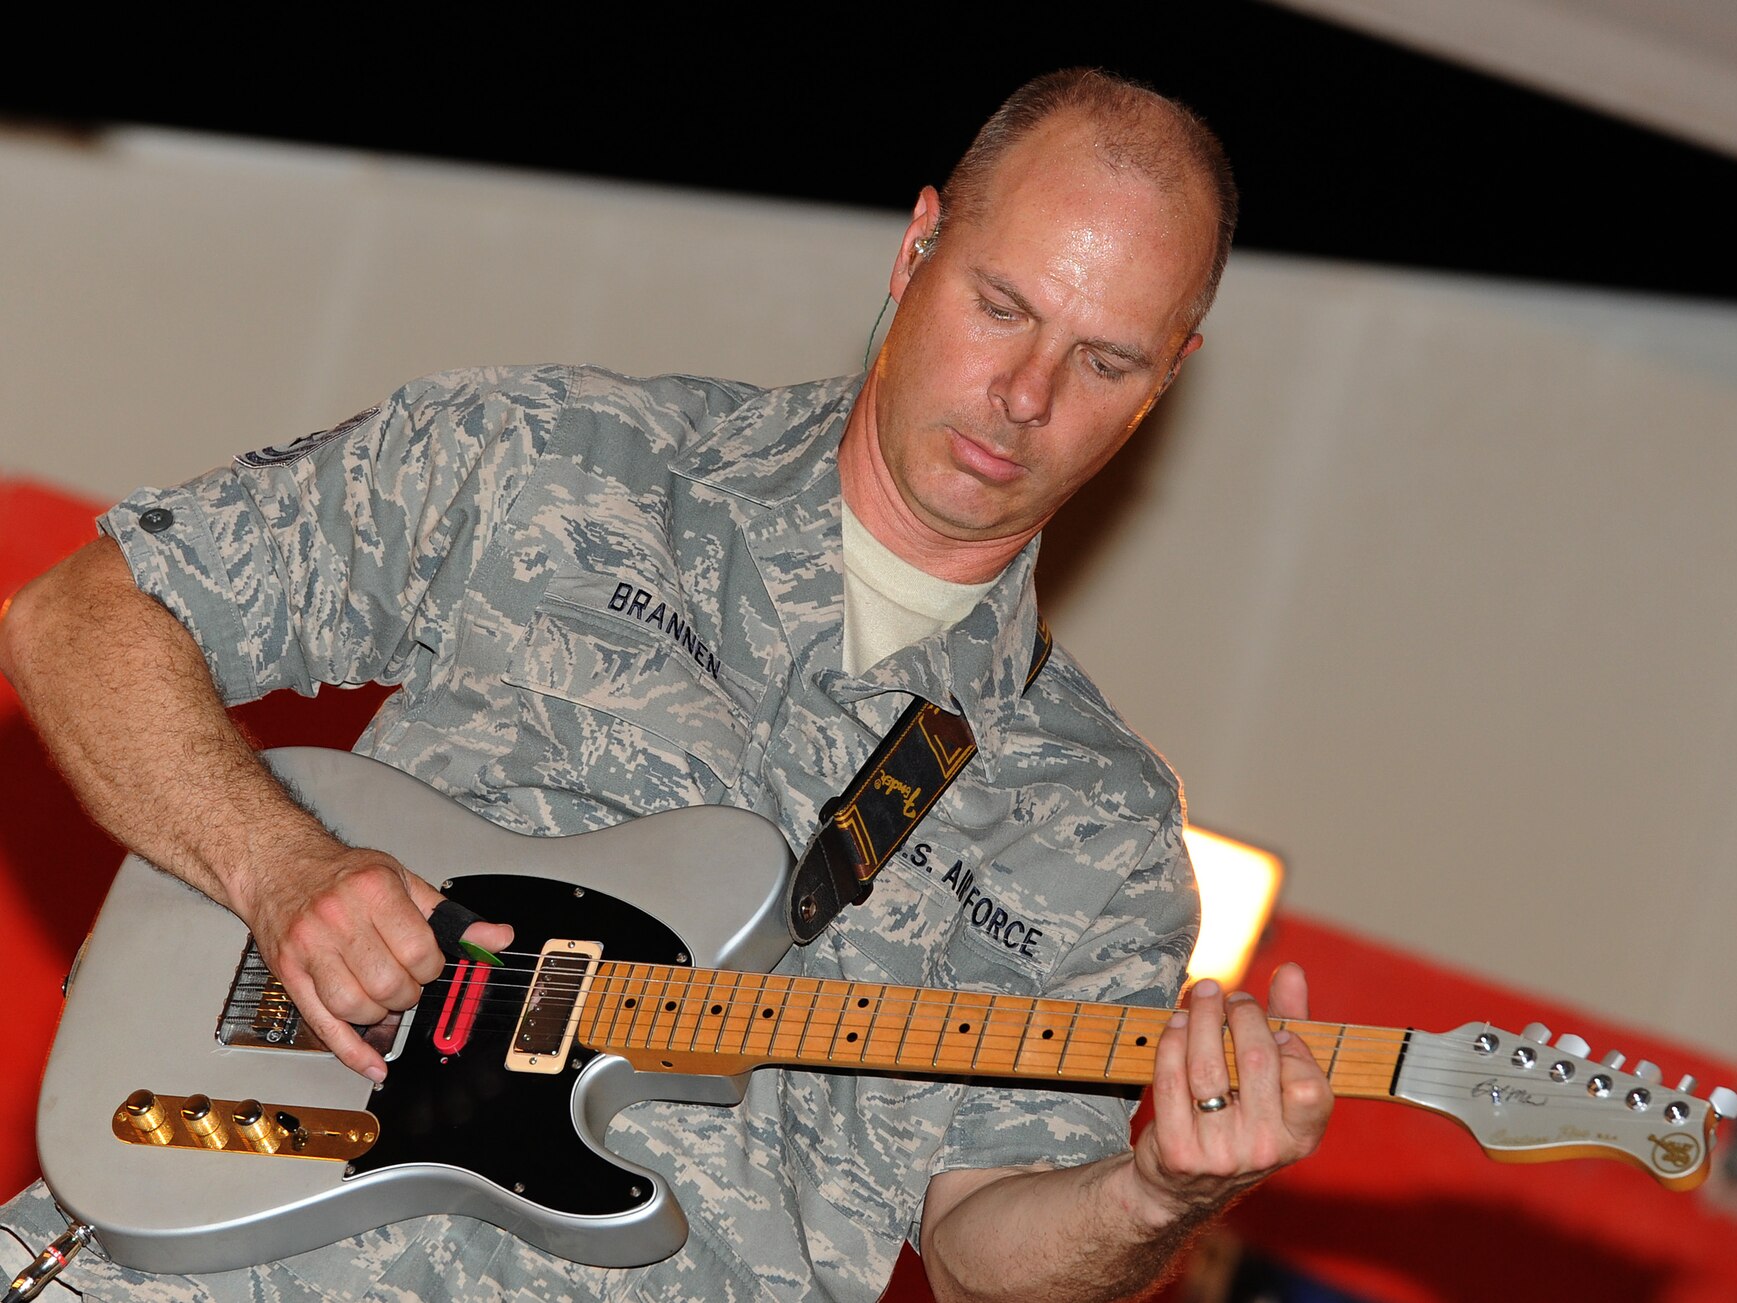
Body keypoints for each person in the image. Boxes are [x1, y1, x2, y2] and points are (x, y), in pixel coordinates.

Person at [0, 69, 1332, 1302]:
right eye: (1002, 306)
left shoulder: (1104, 835)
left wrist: (1159, 1193)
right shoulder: (561, 459)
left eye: (1106, 361)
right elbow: (83, 619)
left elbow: (984, 1249)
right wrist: (280, 866)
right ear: (918, 244)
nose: (1027, 395)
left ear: (1169, 377)